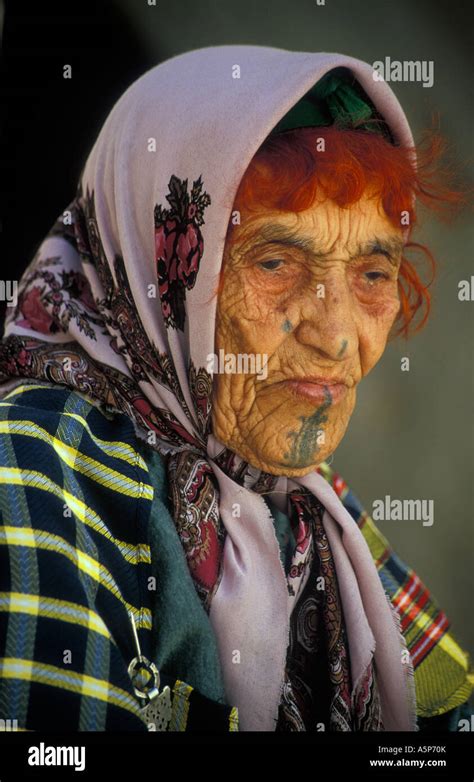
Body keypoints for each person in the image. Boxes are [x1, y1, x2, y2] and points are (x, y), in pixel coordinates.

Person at [0, 45, 472, 732]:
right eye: (276, 261)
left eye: (373, 274)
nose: (339, 337)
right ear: (159, 272)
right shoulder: (34, 467)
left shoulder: (311, 508)